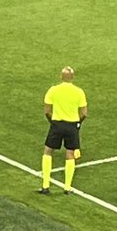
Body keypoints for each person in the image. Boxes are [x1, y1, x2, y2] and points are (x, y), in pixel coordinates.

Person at [38, 66, 88, 195]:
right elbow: (84, 113)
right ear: (72, 78)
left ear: (61, 77)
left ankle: (45, 186)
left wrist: (53, 123)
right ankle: (67, 188)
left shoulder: (53, 90)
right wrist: (77, 124)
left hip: (57, 124)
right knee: (70, 154)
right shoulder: (79, 92)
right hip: (72, 126)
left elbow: (47, 111)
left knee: (48, 151)